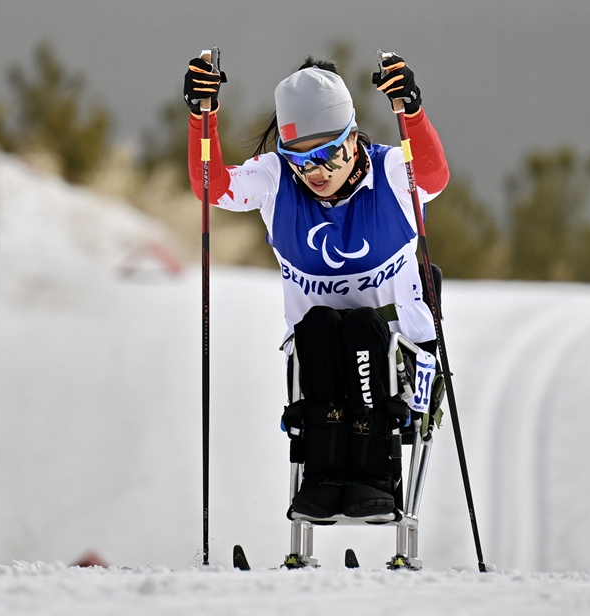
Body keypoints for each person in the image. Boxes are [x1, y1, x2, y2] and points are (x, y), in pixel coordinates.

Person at [184, 53, 449, 519]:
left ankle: (375, 477)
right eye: (301, 160)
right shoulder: (275, 179)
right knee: (322, 325)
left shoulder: (390, 172)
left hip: (400, 360)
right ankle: (323, 478)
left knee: (364, 326)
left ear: (353, 137)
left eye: (327, 154)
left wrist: (411, 112)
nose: (316, 173)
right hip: (320, 359)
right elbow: (214, 189)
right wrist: (201, 118)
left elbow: (433, 177)